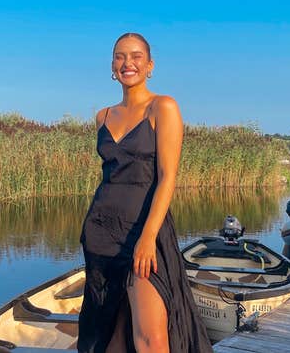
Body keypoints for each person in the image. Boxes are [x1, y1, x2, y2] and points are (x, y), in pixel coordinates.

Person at [78, 33, 213, 353]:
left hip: (144, 231)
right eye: (120, 56)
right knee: (112, 332)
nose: (128, 63)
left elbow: (167, 178)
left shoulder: (162, 106)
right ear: (112, 66)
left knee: (151, 339)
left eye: (136, 56)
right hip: (101, 232)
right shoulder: (103, 116)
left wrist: (148, 237)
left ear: (149, 65)